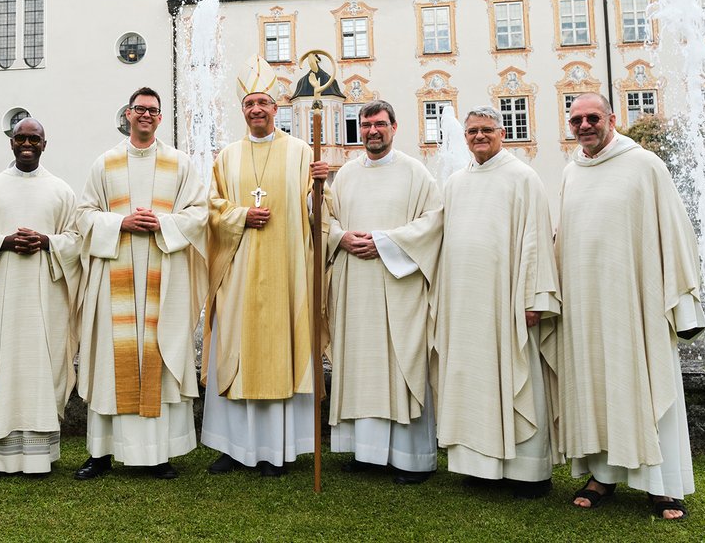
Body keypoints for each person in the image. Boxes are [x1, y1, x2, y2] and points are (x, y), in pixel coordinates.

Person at [558, 93, 704, 521]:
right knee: (599, 388)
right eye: (576, 119)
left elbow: (675, 230)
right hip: (587, 305)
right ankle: (601, 476)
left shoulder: (644, 165)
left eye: (592, 118)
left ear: (611, 119)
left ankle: (662, 487)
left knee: (643, 382)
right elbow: (563, 236)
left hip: (636, 300)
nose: (584, 125)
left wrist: (678, 299)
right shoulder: (570, 173)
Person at [202, 58, 329, 477]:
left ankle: (278, 448)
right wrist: (241, 215)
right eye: (249, 103)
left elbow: (317, 214)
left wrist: (320, 184)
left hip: (285, 274)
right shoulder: (226, 157)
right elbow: (212, 207)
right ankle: (232, 446)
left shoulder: (300, 152)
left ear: (277, 108)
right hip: (238, 275)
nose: (256, 109)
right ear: (243, 110)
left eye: (263, 103)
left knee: (282, 347)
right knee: (234, 348)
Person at [75, 89, 208, 480]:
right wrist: (120, 223)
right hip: (114, 274)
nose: (146, 115)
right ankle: (100, 454)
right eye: (139, 109)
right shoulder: (105, 163)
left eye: (152, 110)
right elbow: (83, 215)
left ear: (160, 118)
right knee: (109, 363)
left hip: (162, 279)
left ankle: (158, 454)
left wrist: (163, 224)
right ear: (128, 115)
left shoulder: (179, 163)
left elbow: (199, 214)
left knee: (160, 357)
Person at [433, 107, 560, 498]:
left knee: (516, 374)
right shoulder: (455, 182)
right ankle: (479, 466)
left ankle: (527, 472)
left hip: (507, 301)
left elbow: (537, 238)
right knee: (473, 379)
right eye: (472, 131)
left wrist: (534, 297)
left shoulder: (523, 177)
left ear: (503, 133)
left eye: (487, 130)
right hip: (467, 303)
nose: (478, 137)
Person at [0, 118, 82, 477]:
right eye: (20, 138)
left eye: (34, 138)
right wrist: (4, 242)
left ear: (45, 144)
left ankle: (38, 458)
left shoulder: (61, 191)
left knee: (40, 368)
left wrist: (46, 242)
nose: (27, 143)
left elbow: (75, 240)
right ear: (11, 143)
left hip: (46, 300)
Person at [327, 100, 442, 484]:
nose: (372, 132)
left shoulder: (416, 173)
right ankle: (367, 452)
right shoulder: (344, 175)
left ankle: (411, 459)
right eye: (365, 126)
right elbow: (326, 220)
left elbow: (433, 223)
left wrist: (385, 242)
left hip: (399, 284)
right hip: (355, 283)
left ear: (395, 127)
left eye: (379, 124)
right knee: (360, 364)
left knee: (400, 362)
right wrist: (341, 238)